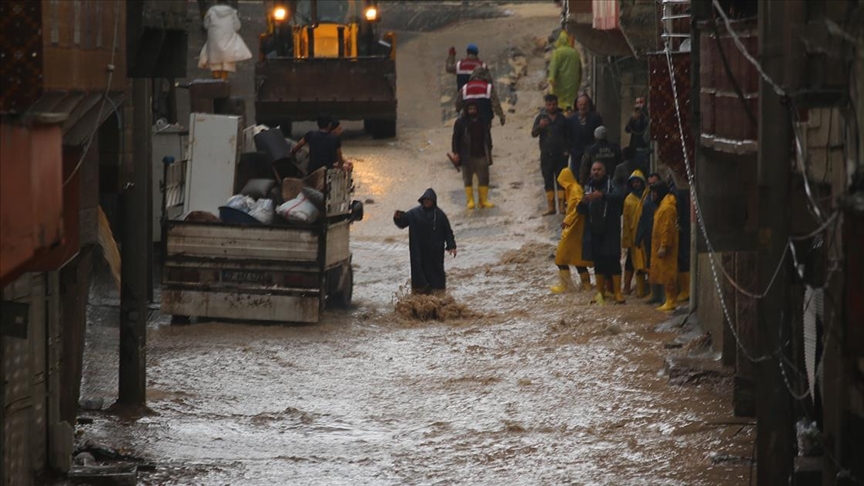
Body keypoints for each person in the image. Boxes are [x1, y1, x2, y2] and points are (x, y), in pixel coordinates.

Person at [393, 189, 457, 294]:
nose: (427, 202)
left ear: (433, 201)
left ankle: (440, 299)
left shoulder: (440, 215)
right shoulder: (414, 213)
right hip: (418, 252)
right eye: (425, 200)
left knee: (437, 281)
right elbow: (402, 222)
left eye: (429, 200)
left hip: (435, 253)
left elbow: (448, 232)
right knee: (419, 279)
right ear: (422, 201)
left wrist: (452, 246)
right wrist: (397, 217)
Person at [578, 161, 625, 305]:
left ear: (604, 171)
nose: (596, 172)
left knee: (613, 260)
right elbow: (580, 210)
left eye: (599, 169)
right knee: (599, 262)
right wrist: (583, 203)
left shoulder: (612, 184)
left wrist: (602, 196)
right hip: (594, 230)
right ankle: (600, 292)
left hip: (611, 229)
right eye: (594, 170)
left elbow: (619, 196)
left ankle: (617, 292)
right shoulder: (588, 187)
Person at [549, 167, 593, 293]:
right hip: (575, 229)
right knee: (577, 259)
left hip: (575, 229)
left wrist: (568, 220)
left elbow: (580, 206)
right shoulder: (573, 189)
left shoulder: (575, 190)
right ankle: (586, 287)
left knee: (560, 258)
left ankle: (566, 286)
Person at [451, 100, 494, 209]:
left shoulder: (483, 121)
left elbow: (488, 138)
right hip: (466, 155)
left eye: (474, 109)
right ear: (466, 110)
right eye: (470, 109)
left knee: (484, 178)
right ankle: (470, 200)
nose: (472, 111)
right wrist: (456, 153)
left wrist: (489, 151)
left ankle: (483, 200)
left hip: (481, 154)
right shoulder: (460, 123)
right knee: (467, 179)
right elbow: (455, 138)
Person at [531, 94, 569, 216]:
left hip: (561, 155)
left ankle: (562, 207)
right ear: (546, 105)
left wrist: (567, 150)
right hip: (546, 155)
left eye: (553, 104)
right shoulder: (541, 118)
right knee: (547, 180)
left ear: (557, 104)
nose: (551, 106)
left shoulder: (562, 119)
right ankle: (551, 207)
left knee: (561, 180)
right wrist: (540, 126)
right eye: (549, 104)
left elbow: (569, 136)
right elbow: (533, 134)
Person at [455, 65, 505, 151]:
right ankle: (488, 154)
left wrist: (458, 110)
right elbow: (495, 104)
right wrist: (501, 116)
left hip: (468, 118)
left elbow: (458, 104)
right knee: (486, 136)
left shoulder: (465, 88)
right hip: (485, 118)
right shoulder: (488, 88)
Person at [198, 4, 252, 80]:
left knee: (214, 60)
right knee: (227, 59)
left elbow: (206, 25)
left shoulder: (211, 11)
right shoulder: (232, 12)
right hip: (228, 45)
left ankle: (215, 76)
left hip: (214, 44)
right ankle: (224, 78)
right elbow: (237, 26)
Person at [649, 180, 679, 312]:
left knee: (668, 273)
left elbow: (667, 228)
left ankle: (671, 300)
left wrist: (664, 245)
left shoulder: (667, 207)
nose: (653, 196)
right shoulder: (663, 205)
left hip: (666, 247)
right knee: (664, 272)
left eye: (654, 193)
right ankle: (668, 299)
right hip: (660, 245)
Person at [622, 170, 650, 297]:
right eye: (633, 182)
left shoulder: (648, 196)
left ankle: (645, 290)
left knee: (647, 261)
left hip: (647, 234)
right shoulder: (628, 200)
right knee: (633, 262)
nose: (636, 184)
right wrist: (626, 240)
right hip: (634, 235)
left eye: (638, 182)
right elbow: (626, 221)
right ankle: (628, 287)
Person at [566, 93, 603, 183]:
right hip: (576, 154)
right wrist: (570, 149)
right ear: (577, 105)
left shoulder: (595, 118)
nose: (582, 107)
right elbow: (567, 136)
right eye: (580, 105)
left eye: (585, 105)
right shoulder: (571, 119)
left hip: (591, 153)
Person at [547, 31, 581, 113]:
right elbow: (580, 70)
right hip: (572, 86)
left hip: (560, 86)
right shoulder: (575, 53)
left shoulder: (557, 53)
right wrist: (578, 83)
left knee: (560, 104)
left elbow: (553, 67)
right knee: (570, 104)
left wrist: (551, 79)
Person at [625, 97, 650, 169]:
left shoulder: (646, 116)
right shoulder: (634, 117)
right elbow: (627, 130)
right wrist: (632, 119)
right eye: (637, 103)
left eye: (641, 102)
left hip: (644, 145)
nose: (639, 105)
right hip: (635, 146)